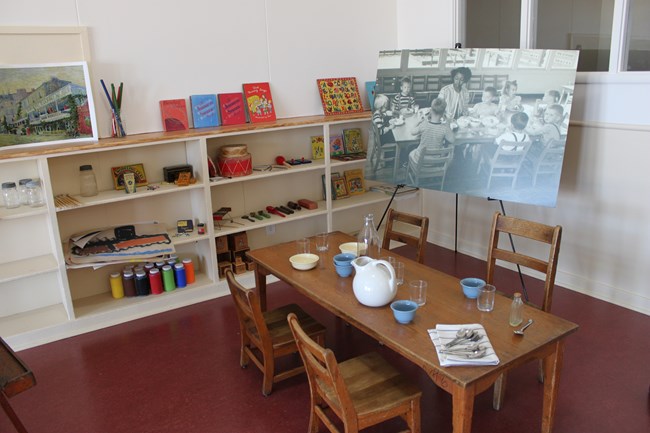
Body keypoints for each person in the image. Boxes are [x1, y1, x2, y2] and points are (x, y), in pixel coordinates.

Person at [408, 98, 455, 165]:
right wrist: (448, 125)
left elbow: (412, 132)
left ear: (431, 111)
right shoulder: (445, 128)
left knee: (411, 152)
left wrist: (418, 121)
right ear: (443, 113)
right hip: (435, 160)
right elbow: (452, 140)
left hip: (421, 160)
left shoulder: (424, 124)